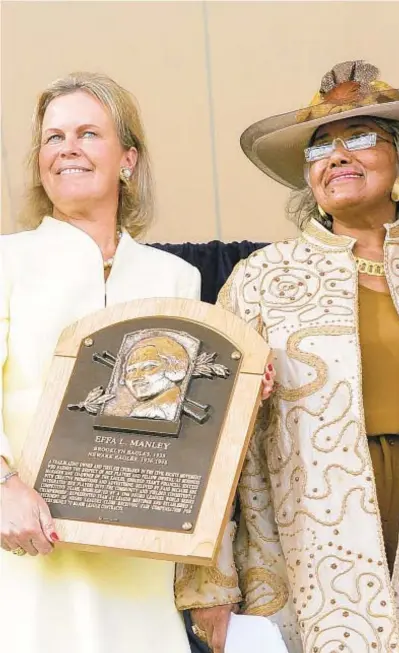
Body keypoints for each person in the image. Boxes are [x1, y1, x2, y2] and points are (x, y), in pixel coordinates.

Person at [175, 60, 399, 653]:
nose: (336, 156)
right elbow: (210, 440)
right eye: (320, 147)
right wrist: (209, 586)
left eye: (359, 137)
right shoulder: (260, 280)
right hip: (307, 540)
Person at [1, 71, 200, 653]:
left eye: (88, 133)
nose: (67, 148)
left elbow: (189, 425)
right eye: (53, 136)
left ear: (128, 159)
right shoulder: (7, 262)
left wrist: (240, 389)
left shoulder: (176, 278)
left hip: (137, 558)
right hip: (24, 545)